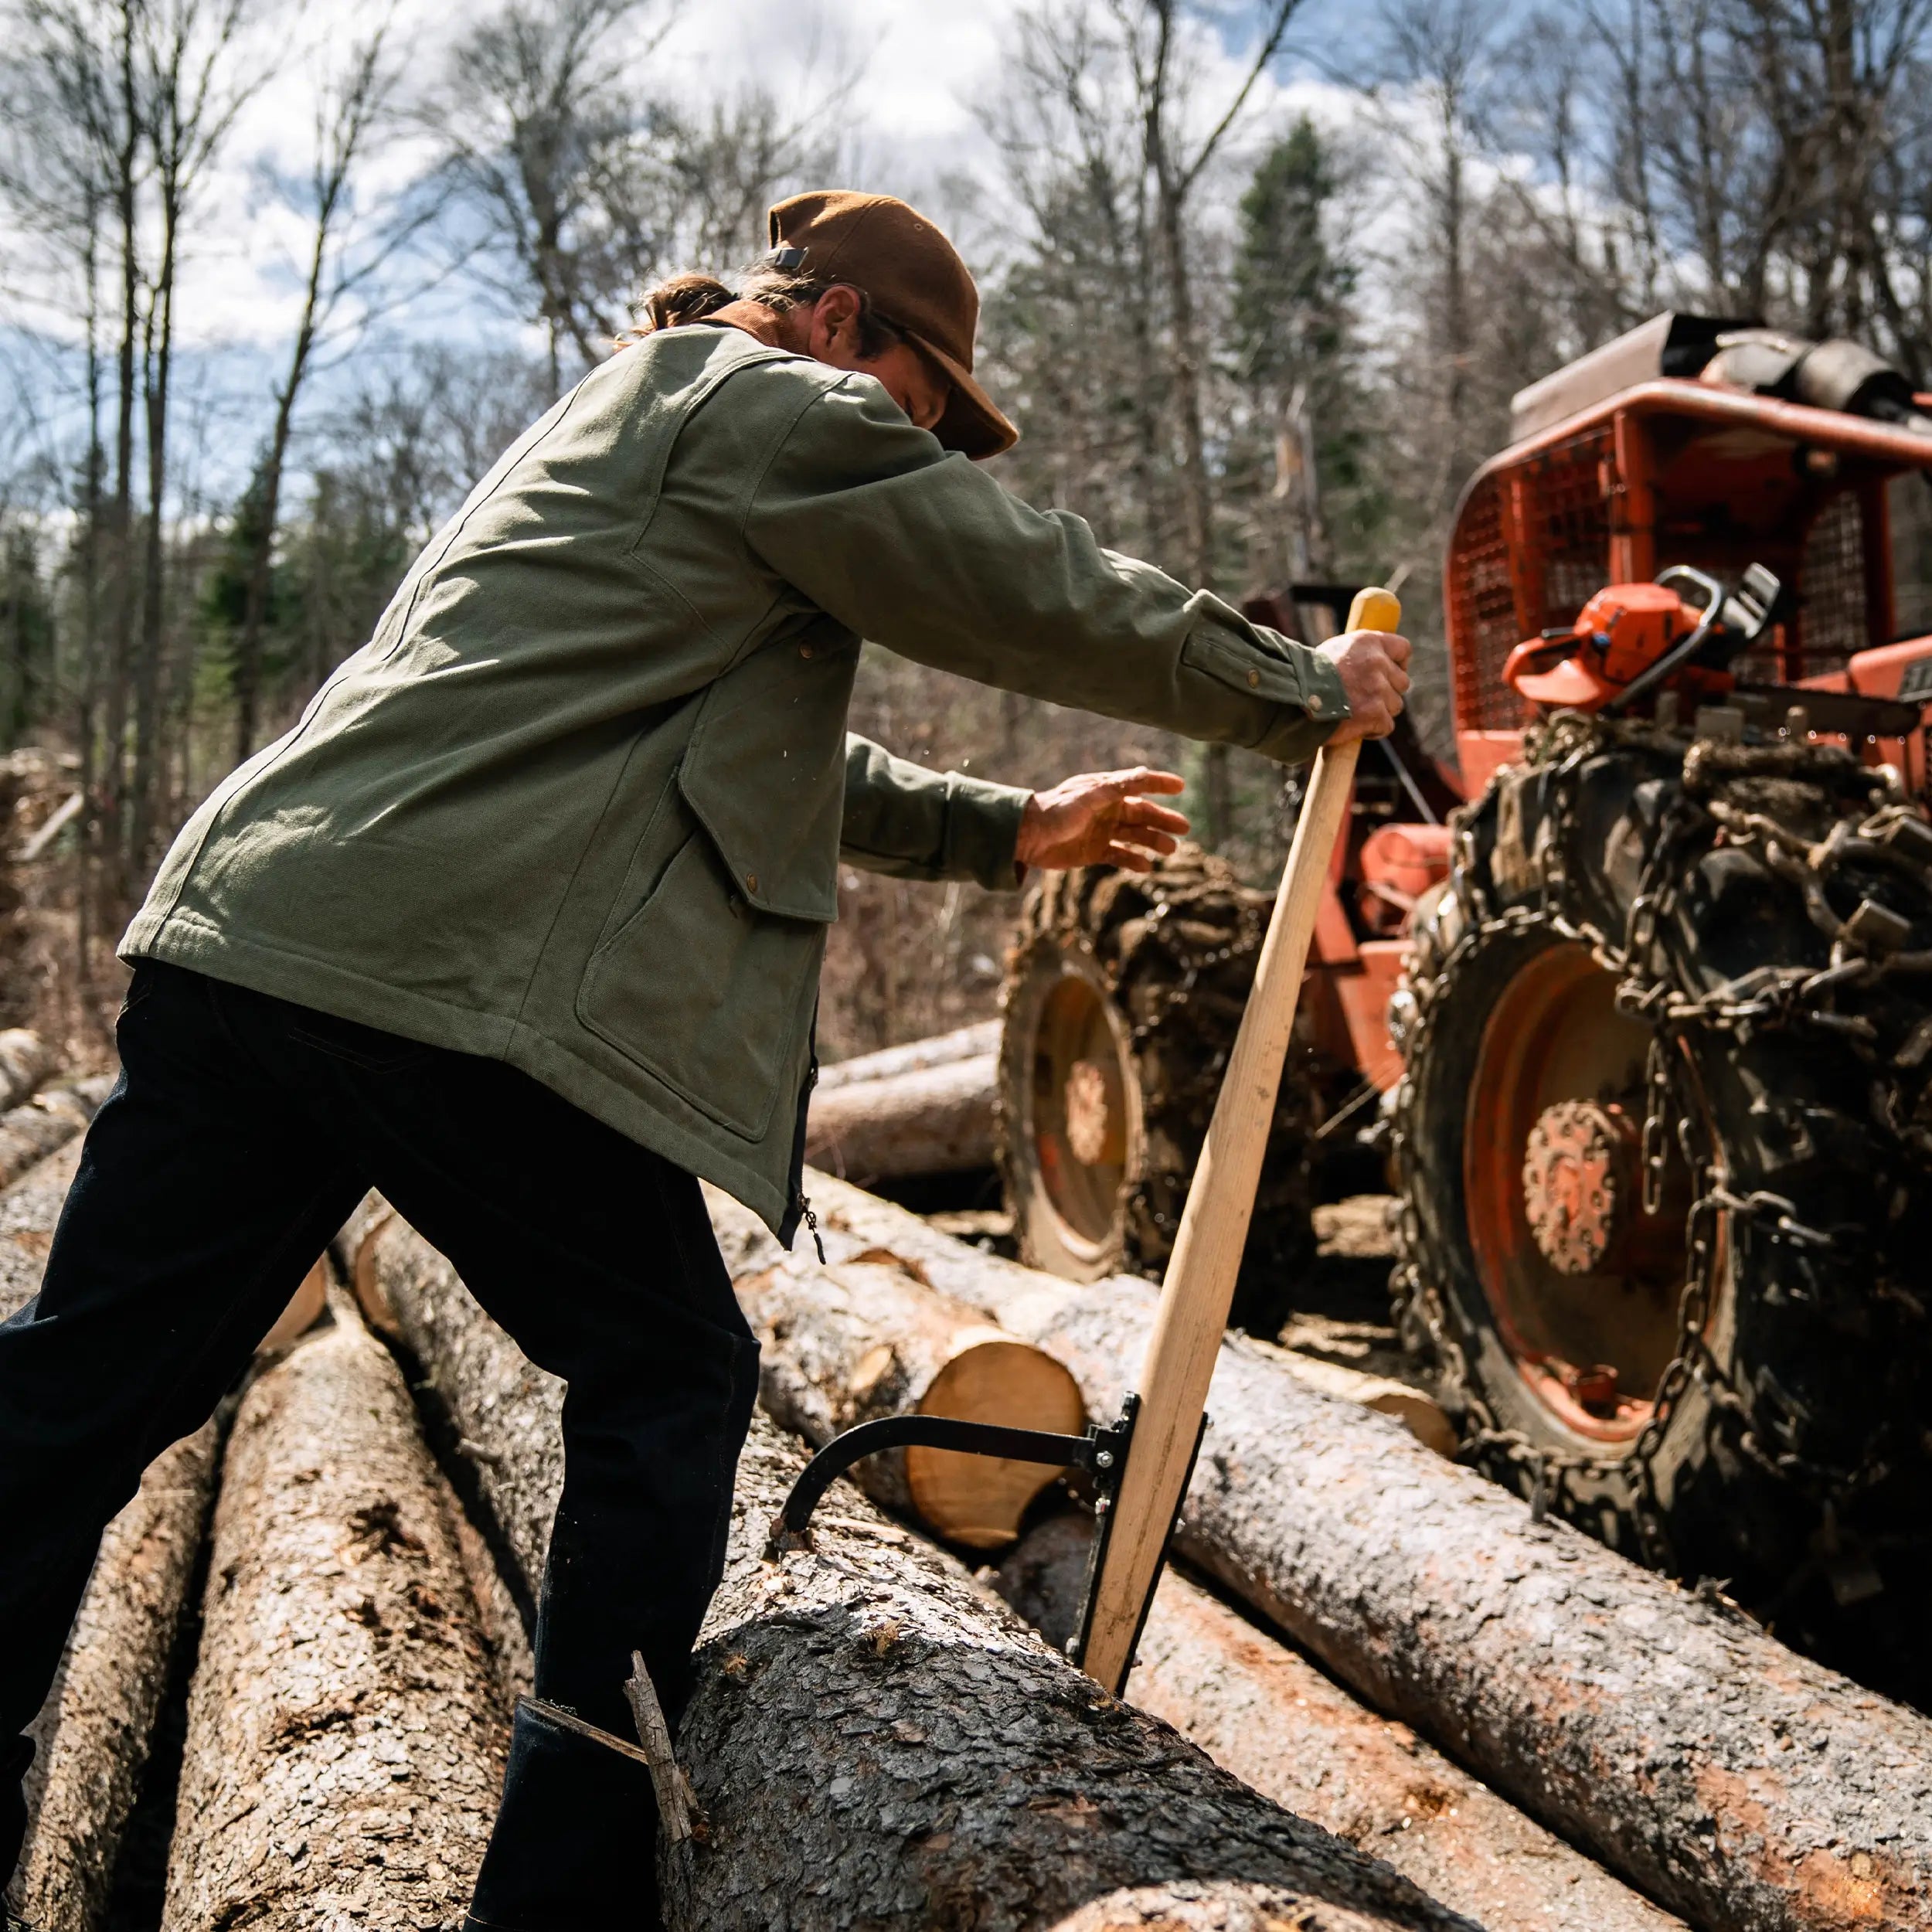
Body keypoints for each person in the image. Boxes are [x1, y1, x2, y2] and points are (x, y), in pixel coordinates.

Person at [0, 190, 1409, 1930]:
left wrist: (1006, 825)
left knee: (71, 1399)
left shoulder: (642, 428)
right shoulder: (772, 405)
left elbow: (754, 755)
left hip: (259, 940)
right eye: (926, 404)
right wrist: (1290, 683)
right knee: (667, 1375)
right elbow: (1010, 578)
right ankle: (561, 1900)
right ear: (837, 327)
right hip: (427, 965)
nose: (920, 442)